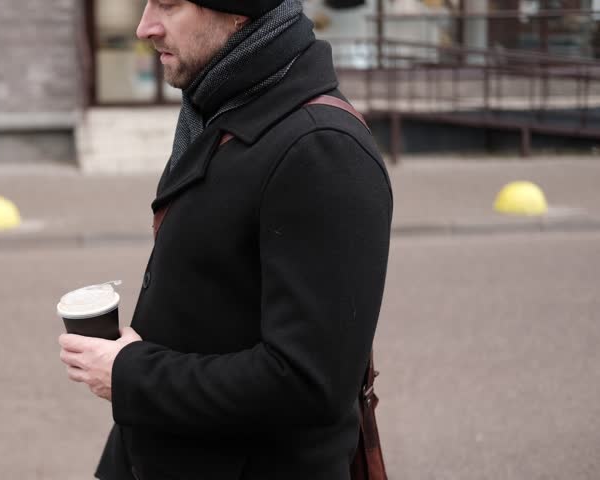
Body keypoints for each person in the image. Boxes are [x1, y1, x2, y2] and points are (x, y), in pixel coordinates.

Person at [58, 1, 393, 478]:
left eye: (169, 5)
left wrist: (131, 374)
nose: (144, 27)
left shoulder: (321, 148)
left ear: (239, 13)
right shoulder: (224, 110)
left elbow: (307, 382)